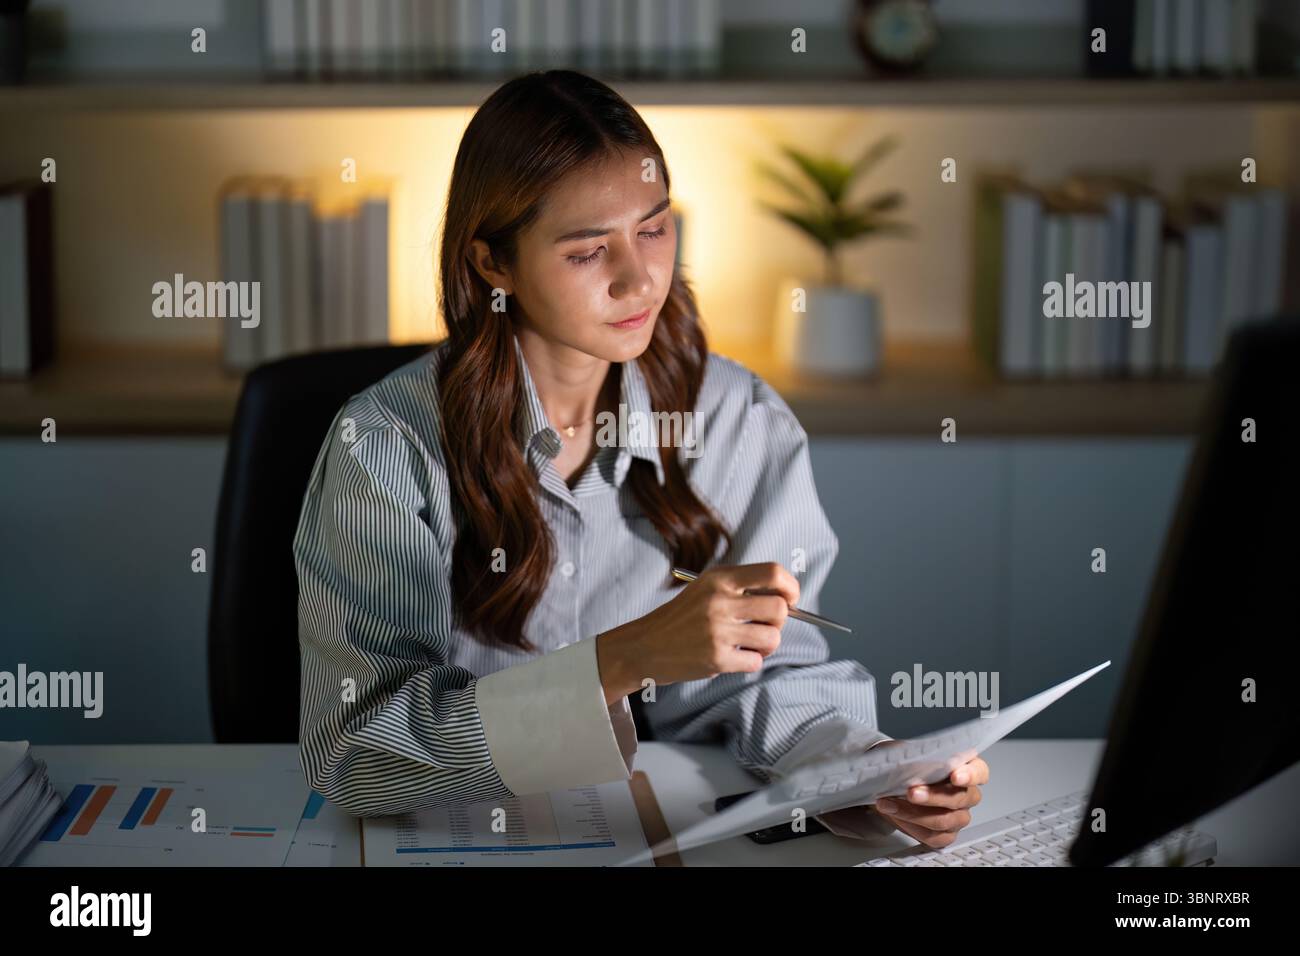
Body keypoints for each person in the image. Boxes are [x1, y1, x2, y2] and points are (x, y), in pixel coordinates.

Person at [293, 70, 987, 851]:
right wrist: (623, 660)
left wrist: (869, 768)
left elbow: (781, 674)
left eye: (655, 230)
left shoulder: (738, 418)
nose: (640, 278)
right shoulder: (387, 445)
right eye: (590, 251)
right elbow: (355, 754)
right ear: (493, 264)